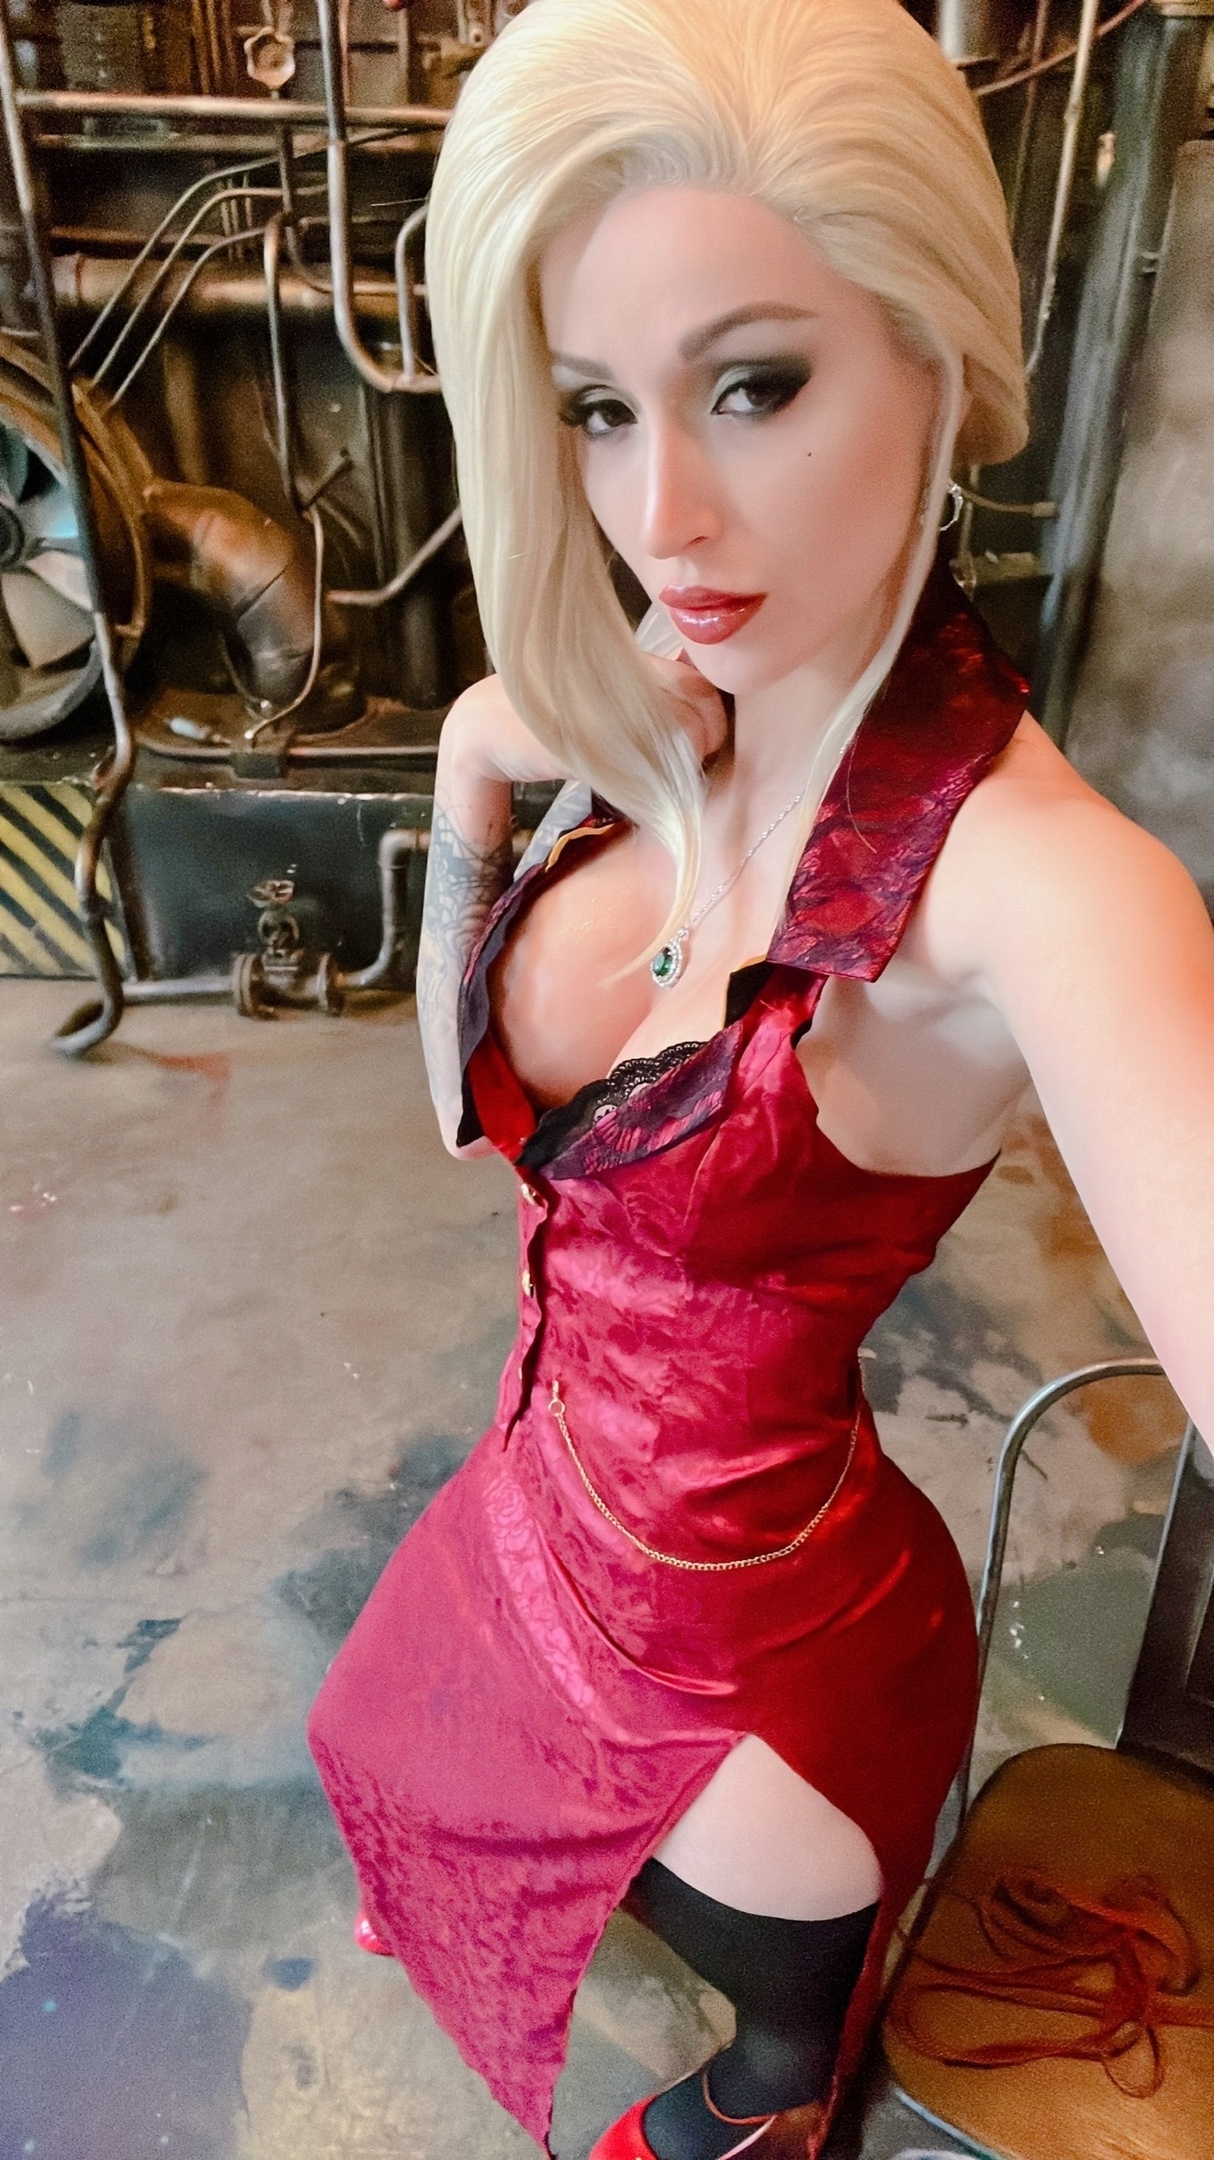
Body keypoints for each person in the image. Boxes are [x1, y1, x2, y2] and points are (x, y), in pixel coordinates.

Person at [308, 3, 1214, 2155]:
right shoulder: (659, 692)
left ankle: (786, 2083)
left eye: (754, 384)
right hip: (528, 1506)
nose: (664, 514)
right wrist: (476, 767)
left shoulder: (1044, 890)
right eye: (595, 409)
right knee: (375, 1750)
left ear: (936, 355)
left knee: (778, 2053)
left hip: (762, 1669)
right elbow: (458, 1111)